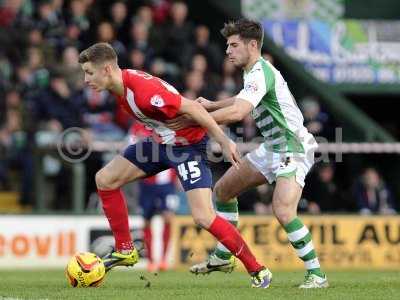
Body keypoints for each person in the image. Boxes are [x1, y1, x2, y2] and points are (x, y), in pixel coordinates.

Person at [78, 42, 272, 288]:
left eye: (89, 72)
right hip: (160, 144)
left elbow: (193, 107)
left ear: (106, 69)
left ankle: (258, 269)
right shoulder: (120, 85)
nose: (86, 79)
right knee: (104, 179)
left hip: (187, 148)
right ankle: (125, 249)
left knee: (204, 217)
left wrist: (223, 141)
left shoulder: (142, 91)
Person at [166, 19, 328, 288]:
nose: (228, 50)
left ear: (252, 45)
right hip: (272, 147)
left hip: (293, 146)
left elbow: (239, 112)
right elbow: (241, 100)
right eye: (227, 45)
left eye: (233, 45)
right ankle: (224, 254)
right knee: (223, 190)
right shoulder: (252, 72)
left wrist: (198, 118)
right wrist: (214, 104)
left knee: (283, 209)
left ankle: (317, 274)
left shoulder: (260, 72)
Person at [130, 121, 179, 272]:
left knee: (168, 217)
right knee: (146, 221)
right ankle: (151, 260)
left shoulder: (171, 124)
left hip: (167, 183)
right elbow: (130, 147)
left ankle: (164, 260)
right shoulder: (138, 126)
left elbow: (180, 149)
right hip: (147, 183)